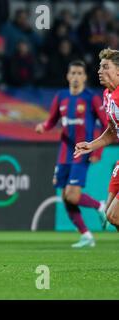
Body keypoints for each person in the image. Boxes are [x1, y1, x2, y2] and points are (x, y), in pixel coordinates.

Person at [35, 60, 108, 248]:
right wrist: (43, 127)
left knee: (73, 195)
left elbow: (107, 125)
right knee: (66, 195)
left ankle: (101, 206)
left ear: (84, 77)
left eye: (79, 73)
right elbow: (52, 121)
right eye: (73, 73)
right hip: (64, 153)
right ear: (68, 76)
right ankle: (86, 235)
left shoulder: (92, 98)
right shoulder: (61, 97)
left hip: (82, 152)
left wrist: (97, 149)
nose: (75, 77)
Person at [74, 48, 119, 231]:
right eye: (100, 67)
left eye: (105, 67)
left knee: (113, 214)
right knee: (111, 215)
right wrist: (91, 145)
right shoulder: (108, 95)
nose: (100, 71)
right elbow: (112, 130)